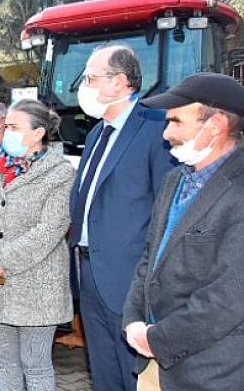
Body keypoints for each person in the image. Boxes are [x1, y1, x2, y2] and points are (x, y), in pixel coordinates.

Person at [121, 73, 244, 390]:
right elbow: (149, 258)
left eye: (176, 121)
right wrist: (133, 319)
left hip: (211, 372)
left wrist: (157, 340)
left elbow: (229, 296)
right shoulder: (174, 180)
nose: (166, 133)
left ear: (215, 125)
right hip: (151, 363)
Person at [68, 45, 176, 391]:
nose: (84, 87)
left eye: (90, 78)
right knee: (104, 372)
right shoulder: (97, 132)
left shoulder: (156, 127)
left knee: (134, 373)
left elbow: (166, 209)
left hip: (130, 277)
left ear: (120, 82)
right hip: (89, 271)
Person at [0, 99, 75, 390]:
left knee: (35, 365)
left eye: (13, 127)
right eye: (6, 126)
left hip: (36, 286)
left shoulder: (59, 173)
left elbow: (49, 230)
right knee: (4, 363)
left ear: (38, 133)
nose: (6, 132)